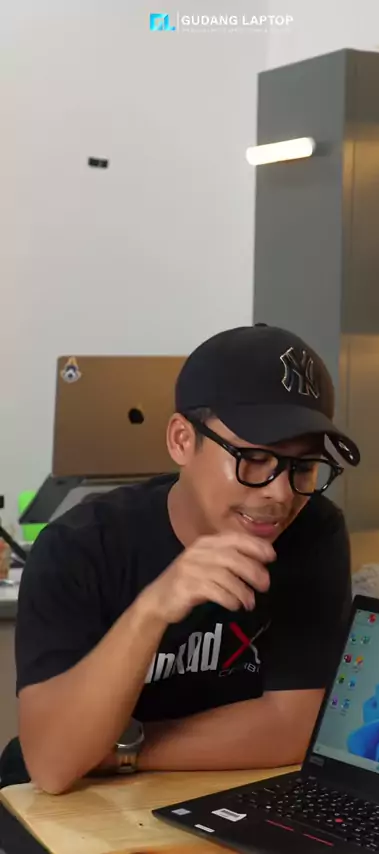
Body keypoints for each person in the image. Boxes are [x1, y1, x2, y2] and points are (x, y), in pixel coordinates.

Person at [14, 324, 360, 794]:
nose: (280, 494)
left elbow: (297, 726)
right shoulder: (77, 548)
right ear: (181, 440)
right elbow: (54, 765)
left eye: (303, 467)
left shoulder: (313, 532)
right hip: (74, 807)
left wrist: (123, 750)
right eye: (253, 458)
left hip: (214, 792)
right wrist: (151, 610)